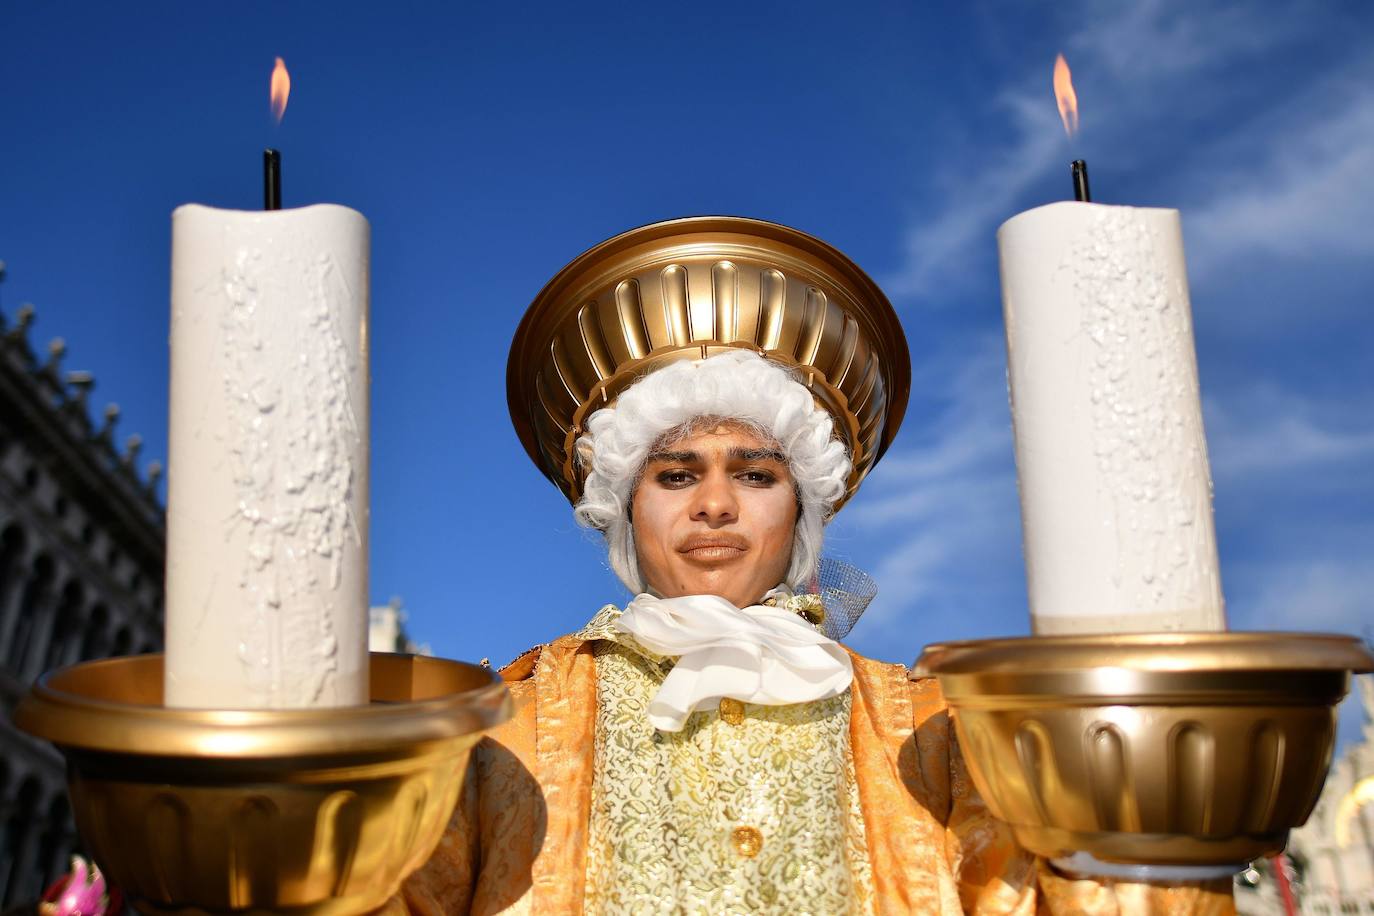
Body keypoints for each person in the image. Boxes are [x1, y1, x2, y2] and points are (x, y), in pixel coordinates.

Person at [385, 218, 1235, 914]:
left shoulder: (939, 733)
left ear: (802, 508)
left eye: (753, 474)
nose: (714, 505)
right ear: (624, 507)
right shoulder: (499, 734)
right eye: (676, 474)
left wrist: (1154, 789)